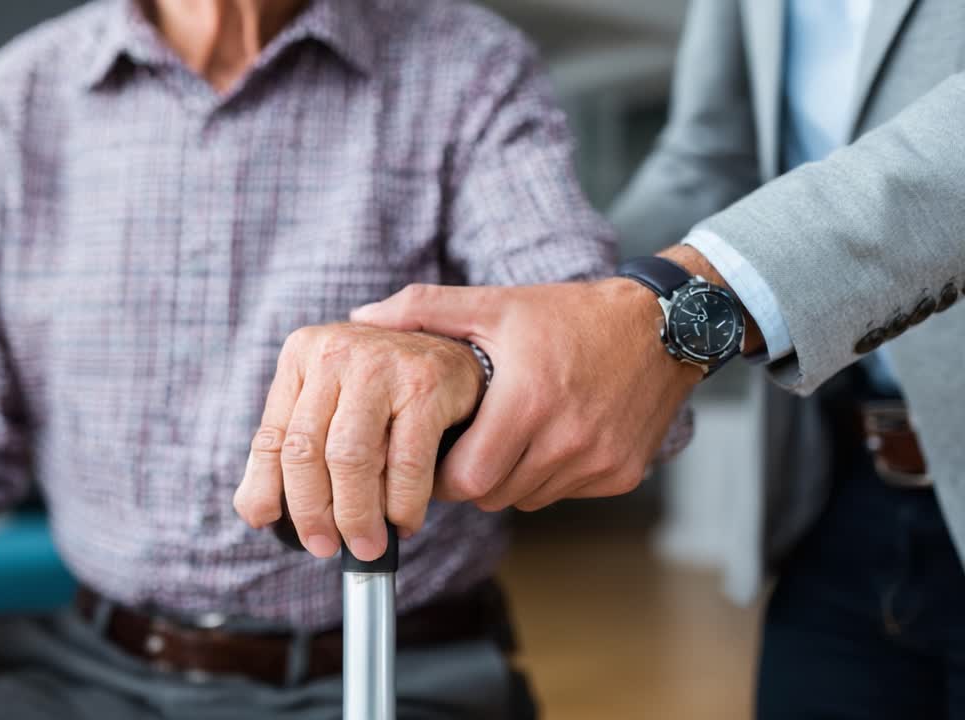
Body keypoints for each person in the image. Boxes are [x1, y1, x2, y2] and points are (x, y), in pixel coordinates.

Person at [0, 1, 641, 718]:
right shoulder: (15, 101)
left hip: (392, 667)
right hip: (87, 673)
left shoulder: (468, 67)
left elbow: (585, 355)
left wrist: (472, 370)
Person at [246, 1, 965, 717]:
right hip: (845, 495)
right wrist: (493, 349)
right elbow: (714, 161)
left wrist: (670, 312)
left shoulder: (464, 56)